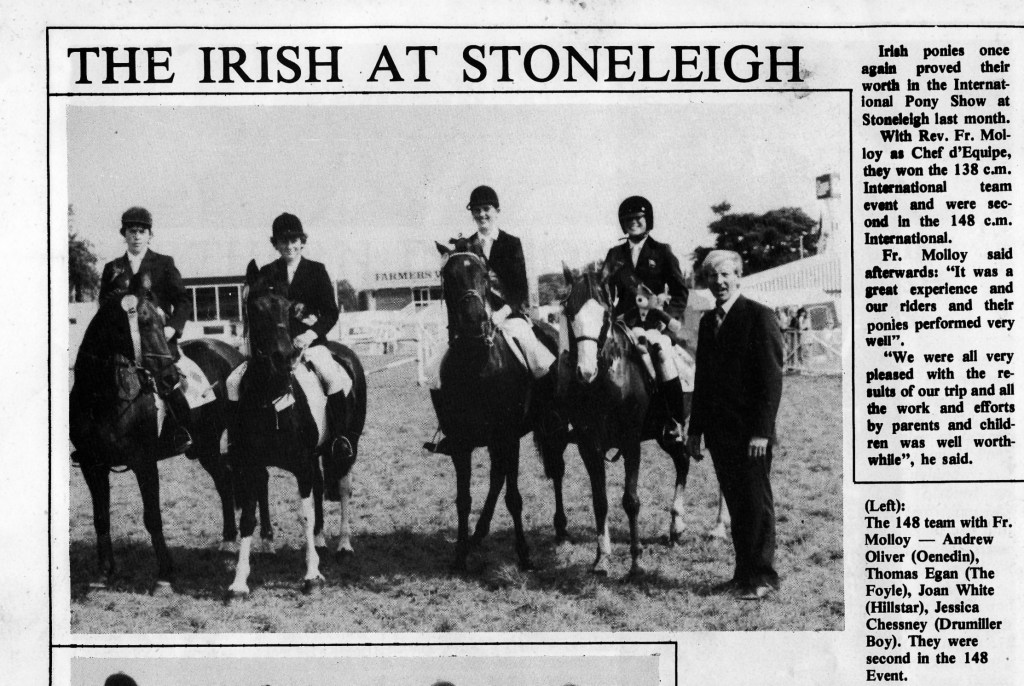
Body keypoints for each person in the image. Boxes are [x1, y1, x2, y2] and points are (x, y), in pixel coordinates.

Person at [426, 185, 556, 454]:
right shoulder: (466, 246)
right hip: (474, 322)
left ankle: (546, 414)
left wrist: (502, 312)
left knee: (541, 359)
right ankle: (448, 428)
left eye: (486, 209)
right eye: (477, 210)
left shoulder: (511, 243)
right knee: (433, 368)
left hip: (508, 316)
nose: (482, 214)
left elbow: (519, 288)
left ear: (496, 211)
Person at [686, 250, 784, 600]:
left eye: (726, 275)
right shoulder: (707, 322)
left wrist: (762, 431)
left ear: (739, 277)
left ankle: (762, 577)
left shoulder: (759, 316)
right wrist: (695, 428)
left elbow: (771, 381)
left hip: (751, 434)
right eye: (712, 277)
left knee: (756, 502)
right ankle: (742, 574)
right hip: (719, 433)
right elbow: (703, 380)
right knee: (736, 503)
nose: (719, 282)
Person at [254, 212, 353, 464]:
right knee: (242, 381)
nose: (289, 246)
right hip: (276, 349)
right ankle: (239, 440)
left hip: (310, 345)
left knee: (332, 377)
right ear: (275, 244)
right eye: (283, 241)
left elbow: (330, 312)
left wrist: (309, 334)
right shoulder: (267, 273)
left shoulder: (316, 270)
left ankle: (340, 438)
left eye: (294, 240)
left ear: (302, 241)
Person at [97, 206, 194, 455]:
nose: (137, 236)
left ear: (150, 235)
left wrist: (174, 327)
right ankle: (94, 438)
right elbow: (104, 307)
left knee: (173, 380)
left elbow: (182, 300)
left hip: (157, 341)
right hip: (123, 345)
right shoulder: (113, 268)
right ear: (124, 234)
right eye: (132, 231)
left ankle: (180, 431)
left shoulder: (164, 263)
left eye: (142, 231)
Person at [601, 195, 689, 443]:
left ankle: (673, 419)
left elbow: (681, 292)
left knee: (660, 352)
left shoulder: (661, 252)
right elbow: (606, 291)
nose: (633, 223)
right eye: (628, 220)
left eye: (638, 218)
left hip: (653, 324)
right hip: (623, 323)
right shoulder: (614, 254)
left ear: (647, 221)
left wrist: (668, 318)